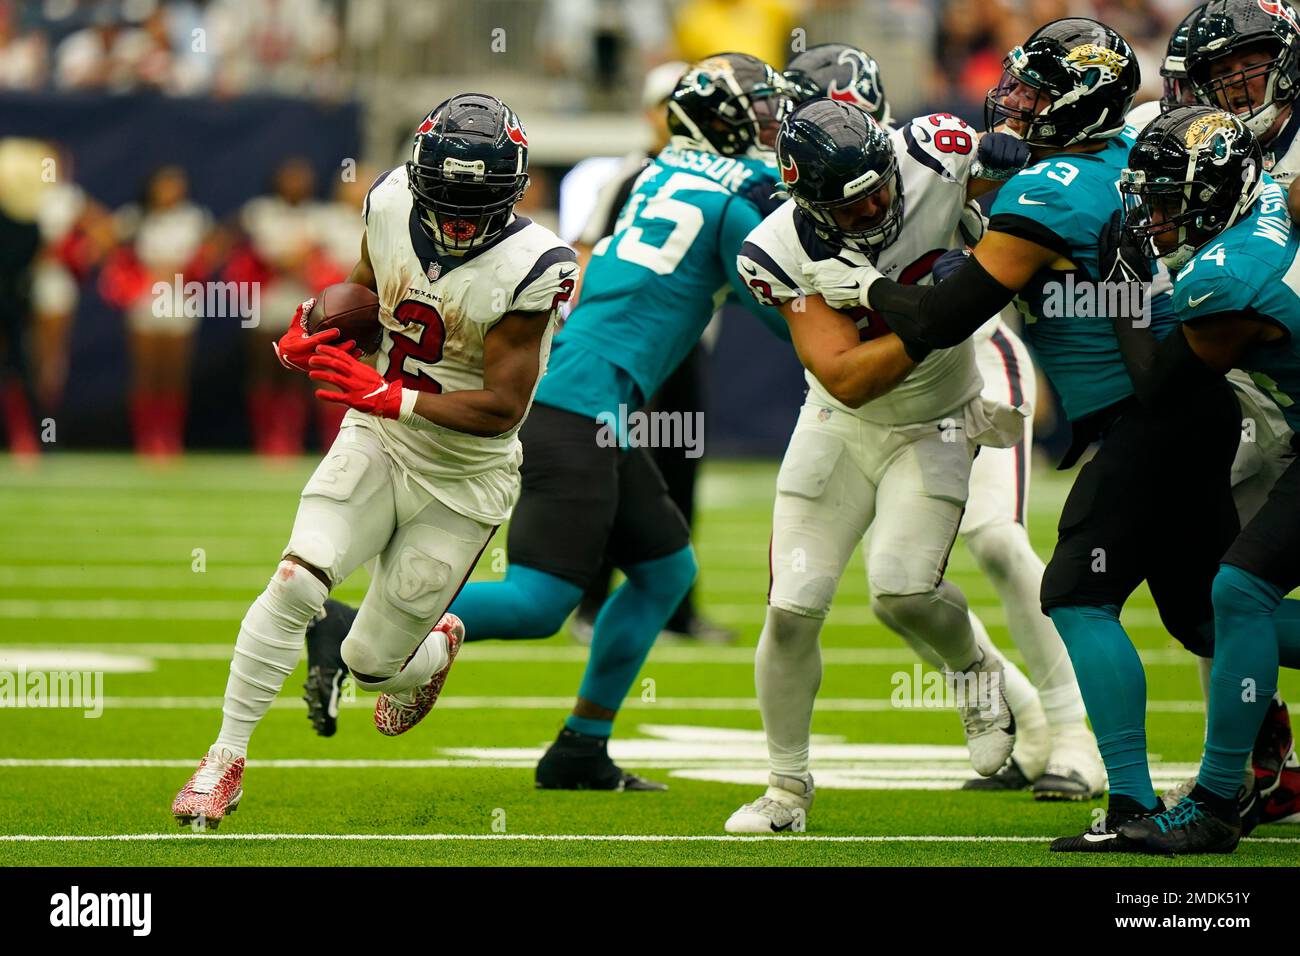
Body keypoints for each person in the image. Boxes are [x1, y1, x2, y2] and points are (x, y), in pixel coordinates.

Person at [796, 18, 1244, 851]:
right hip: (1190, 403)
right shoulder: (1124, 158)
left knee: (1077, 592)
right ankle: (1224, 793)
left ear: (1082, 104)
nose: (1016, 101)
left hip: (1145, 419)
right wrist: (1016, 152)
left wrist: (867, 287)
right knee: (1215, 614)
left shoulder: (1048, 191)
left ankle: (1132, 806)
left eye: (1038, 93)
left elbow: (937, 315)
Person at [303, 54, 794, 792]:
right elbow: (786, 315)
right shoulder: (729, 204)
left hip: (594, 400)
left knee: (666, 575)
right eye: (757, 113)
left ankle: (580, 748)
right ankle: (353, 626)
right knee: (540, 603)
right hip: (577, 406)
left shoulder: (656, 174)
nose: (766, 126)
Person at [171, 94, 577, 828]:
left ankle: (439, 645)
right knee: (298, 577)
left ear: (513, 195)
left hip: (464, 475)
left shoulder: (535, 265)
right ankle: (223, 759)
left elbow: (503, 407)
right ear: (418, 182)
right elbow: (364, 289)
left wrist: (389, 394)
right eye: (445, 201)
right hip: (378, 438)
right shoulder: (388, 198)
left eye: (475, 206)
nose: (456, 221)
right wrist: (314, 330)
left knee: (370, 665)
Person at [783, 41, 1105, 799]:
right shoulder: (789, 229)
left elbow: (1023, 195)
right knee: (895, 590)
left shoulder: (930, 159)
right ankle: (1018, 712)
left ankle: (1076, 736)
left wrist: (1003, 169)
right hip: (868, 393)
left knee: (995, 537)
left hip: (970, 361)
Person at [723, 98, 1039, 832]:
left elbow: (1023, 168)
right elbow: (849, 377)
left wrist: (997, 177)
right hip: (840, 424)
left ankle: (974, 674)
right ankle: (785, 791)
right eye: (851, 205)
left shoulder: (933, 152)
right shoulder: (775, 248)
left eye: (878, 190)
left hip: (938, 423)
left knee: (901, 590)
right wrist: (937, 311)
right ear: (806, 201)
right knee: (792, 607)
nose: (873, 209)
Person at [1102, 105, 1300, 852]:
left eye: (1164, 203)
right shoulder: (1274, 194)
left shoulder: (1226, 281)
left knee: (1238, 591)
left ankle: (1217, 802)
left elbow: (1157, 382)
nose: (1152, 220)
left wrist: (1122, 288)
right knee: (1236, 596)